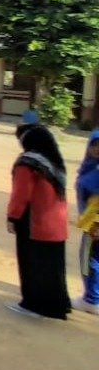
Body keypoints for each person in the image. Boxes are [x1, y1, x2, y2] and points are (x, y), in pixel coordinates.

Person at [5, 125, 71, 319]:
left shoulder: (28, 162)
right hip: (56, 223)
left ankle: (35, 305)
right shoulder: (55, 162)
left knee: (32, 263)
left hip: (35, 222)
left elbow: (21, 194)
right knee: (53, 267)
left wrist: (12, 217)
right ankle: (58, 305)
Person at [75, 131, 99, 316]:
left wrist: (96, 225)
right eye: (94, 144)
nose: (97, 149)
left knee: (89, 260)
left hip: (94, 225)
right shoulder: (91, 167)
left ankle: (91, 299)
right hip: (91, 221)